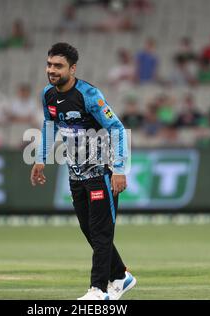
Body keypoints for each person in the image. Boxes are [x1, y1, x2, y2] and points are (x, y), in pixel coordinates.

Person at [30, 43, 136, 300]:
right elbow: (50, 125)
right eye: (49, 65)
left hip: (102, 174)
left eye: (58, 66)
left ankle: (98, 290)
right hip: (75, 174)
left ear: (72, 68)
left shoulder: (89, 95)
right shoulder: (48, 95)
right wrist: (41, 158)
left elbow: (117, 129)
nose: (52, 70)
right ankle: (122, 276)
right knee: (89, 230)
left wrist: (120, 169)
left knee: (101, 233)